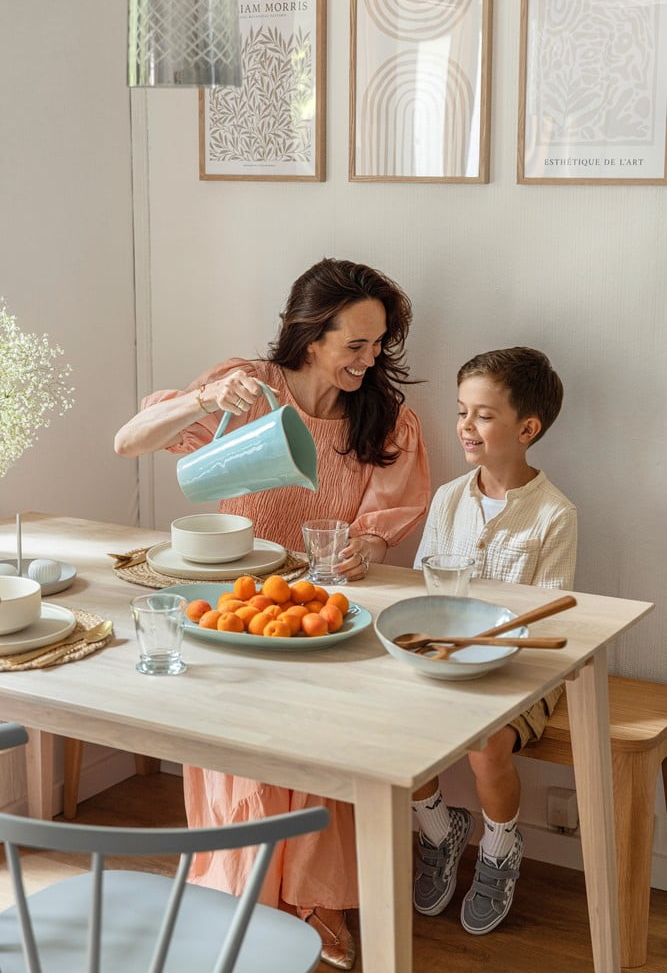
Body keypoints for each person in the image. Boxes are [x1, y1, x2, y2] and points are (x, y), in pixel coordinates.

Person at [114, 257, 431, 970]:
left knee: (317, 754)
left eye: (379, 343)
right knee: (243, 755)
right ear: (310, 336)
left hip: (325, 610)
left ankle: (313, 901)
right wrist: (202, 402)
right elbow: (128, 442)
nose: (369, 358)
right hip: (233, 605)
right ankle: (247, 898)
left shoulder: (384, 416)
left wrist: (368, 543)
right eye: (355, 343)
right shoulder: (245, 390)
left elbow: (388, 517)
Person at [411, 346, 576, 937]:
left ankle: (500, 845)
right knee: (400, 724)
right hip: (449, 658)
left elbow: (548, 624)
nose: (465, 426)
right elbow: (426, 585)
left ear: (526, 429)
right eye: (462, 412)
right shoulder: (449, 497)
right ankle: (437, 828)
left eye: (482, 415)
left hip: (520, 671)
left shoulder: (554, 515)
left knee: (485, 745)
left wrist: (487, 646)